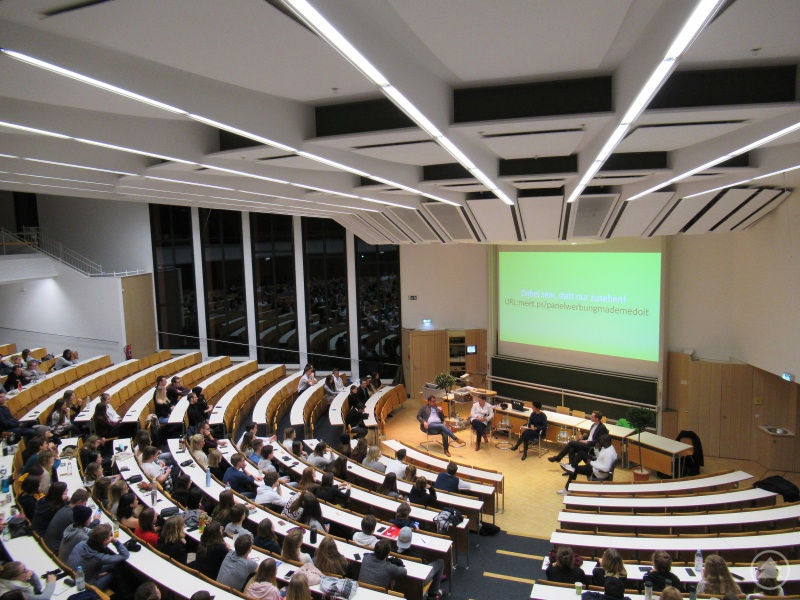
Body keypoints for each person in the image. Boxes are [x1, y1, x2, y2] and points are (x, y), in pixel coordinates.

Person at [67, 523, 130, 589]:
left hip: (72, 575)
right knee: (117, 569)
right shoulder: (99, 557)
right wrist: (115, 541)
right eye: (110, 535)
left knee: (113, 565)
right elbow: (125, 555)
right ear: (106, 541)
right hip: (87, 586)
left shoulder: (81, 543)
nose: (111, 536)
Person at [395, 526, 444, 600]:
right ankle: (433, 594)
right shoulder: (417, 557)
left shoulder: (391, 553)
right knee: (440, 562)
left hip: (398, 582)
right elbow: (425, 571)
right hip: (417, 583)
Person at [44, 488, 93, 554]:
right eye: (85, 503)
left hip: (49, 543)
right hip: (56, 549)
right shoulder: (73, 515)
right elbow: (84, 528)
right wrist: (96, 521)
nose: (85, 505)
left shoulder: (65, 507)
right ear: (79, 502)